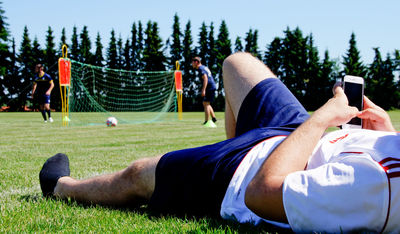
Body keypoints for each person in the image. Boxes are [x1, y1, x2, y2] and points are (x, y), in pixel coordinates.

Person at [39, 52, 400, 232]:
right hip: (295, 134)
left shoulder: (379, 187)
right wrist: (384, 133)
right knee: (237, 63)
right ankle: (226, 146)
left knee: (138, 175)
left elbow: (263, 193)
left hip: (248, 174)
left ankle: (60, 187)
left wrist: (324, 115)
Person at [191, 56, 217, 125]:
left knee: (205, 103)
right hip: (212, 86)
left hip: (209, 87)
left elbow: (205, 78)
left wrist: (203, 90)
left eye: (192, 62)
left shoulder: (200, 69)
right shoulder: (204, 67)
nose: (192, 64)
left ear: (196, 62)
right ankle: (213, 118)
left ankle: (206, 121)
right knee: (207, 103)